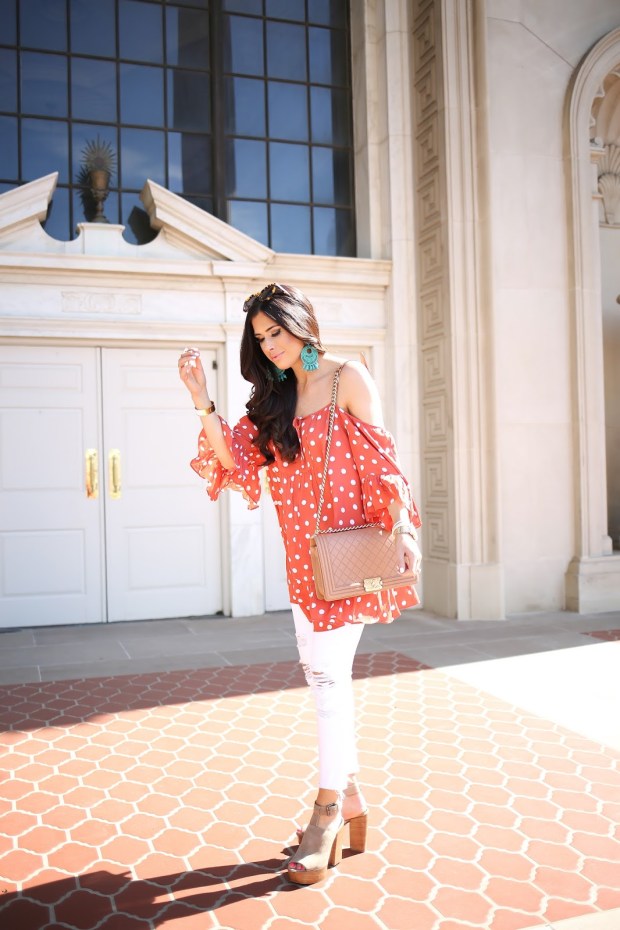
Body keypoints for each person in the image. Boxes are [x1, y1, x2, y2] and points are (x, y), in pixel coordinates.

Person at [178, 283, 422, 885]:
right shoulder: (274, 400)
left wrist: (401, 525)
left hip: (352, 561)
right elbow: (232, 462)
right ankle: (356, 802)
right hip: (304, 566)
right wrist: (203, 401)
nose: (271, 346)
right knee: (321, 680)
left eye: (277, 332)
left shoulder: (347, 378)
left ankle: (327, 812)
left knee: (327, 682)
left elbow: (385, 463)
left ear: (302, 325)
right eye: (261, 338)